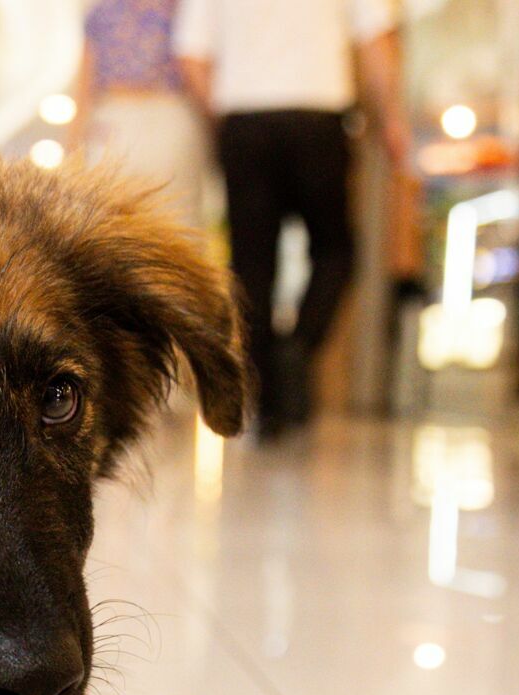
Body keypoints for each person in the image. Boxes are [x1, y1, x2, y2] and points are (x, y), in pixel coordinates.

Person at [173, 0, 410, 436]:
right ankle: (298, 347)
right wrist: (392, 119)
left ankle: (267, 404)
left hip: (245, 121)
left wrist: (222, 117)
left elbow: (191, 55)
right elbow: (376, 43)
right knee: (336, 250)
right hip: (316, 121)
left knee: (252, 267)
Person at [70, 0, 205, 227]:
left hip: (145, 116)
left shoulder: (185, 8)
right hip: (142, 117)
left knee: (109, 218)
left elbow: (85, 84)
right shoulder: (183, 9)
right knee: (175, 220)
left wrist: (73, 144)